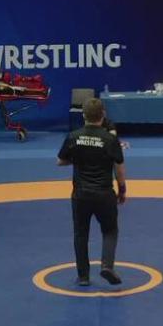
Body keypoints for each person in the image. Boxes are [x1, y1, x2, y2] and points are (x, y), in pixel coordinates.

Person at [57, 98, 127, 286]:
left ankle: (83, 276)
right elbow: (119, 167)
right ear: (103, 115)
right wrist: (122, 189)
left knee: (81, 233)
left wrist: (78, 158)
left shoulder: (74, 136)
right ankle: (107, 265)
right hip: (104, 193)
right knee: (110, 230)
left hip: (81, 194)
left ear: (83, 115)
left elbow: (60, 161)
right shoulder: (110, 139)